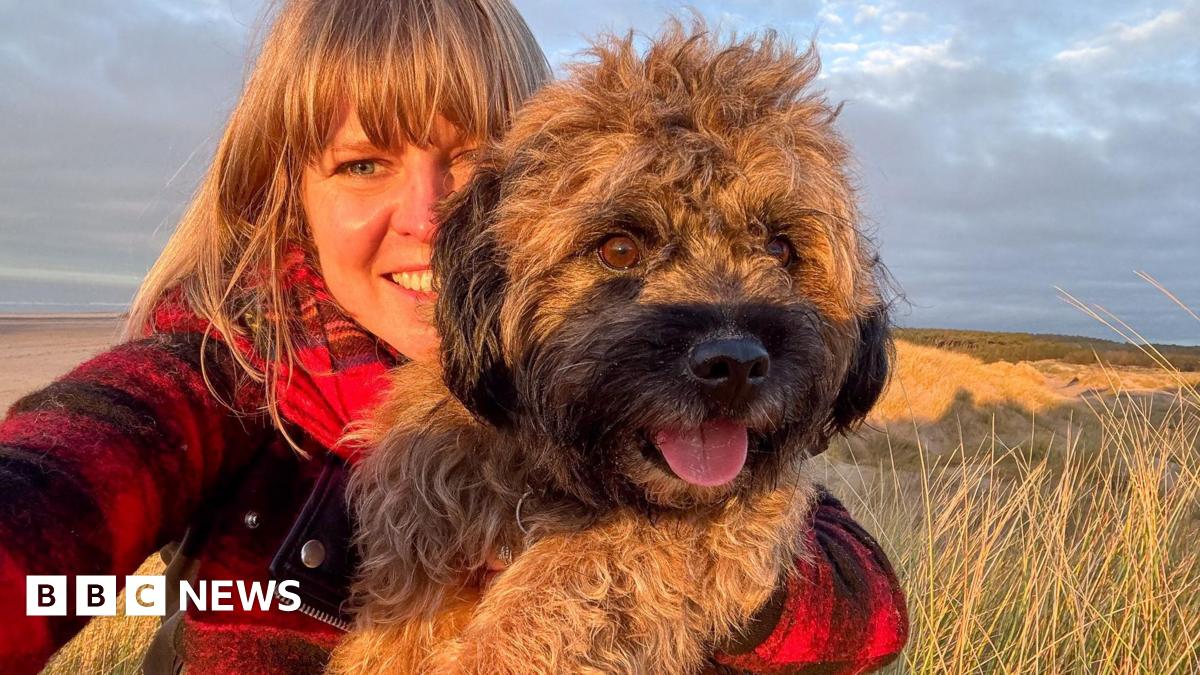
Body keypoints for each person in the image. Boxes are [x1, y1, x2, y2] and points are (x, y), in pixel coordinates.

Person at [0, 1, 909, 673]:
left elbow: (866, 612)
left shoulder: (692, 444)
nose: (433, 218)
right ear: (283, 196)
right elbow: (59, 484)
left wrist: (649, 576)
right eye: (363, 164)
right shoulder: (219, 375)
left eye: (475, 159)